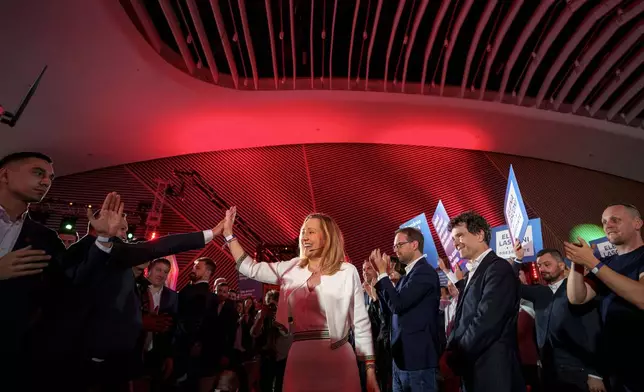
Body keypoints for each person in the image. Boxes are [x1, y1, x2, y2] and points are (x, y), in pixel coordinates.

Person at [221, 206, 378, 392]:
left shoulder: (346, 271)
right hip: (299, 357)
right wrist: (229, 235)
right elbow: (250, 268)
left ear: (327, 237)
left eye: (311, 232)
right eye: (303, 232)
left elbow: (360, 322)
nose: (304, 237)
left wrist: (369, 373)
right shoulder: (292, 268)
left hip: (338, 357)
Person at [565, 203, 644, 392]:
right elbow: (577, 298)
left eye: (615, 220)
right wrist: (578, 264)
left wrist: (592, 262)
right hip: (618, 370)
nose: (608, 225)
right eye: (604, 222)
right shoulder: (606, 264)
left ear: (637, 223)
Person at [444, 211, 524, 392]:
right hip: (474, 368)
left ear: (479, 234)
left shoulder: (499, 268)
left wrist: (457, 356)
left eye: (460, 236)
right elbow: (463, 318)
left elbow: (486, 320)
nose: (455, 243)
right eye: (453, 238)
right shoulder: (474, 270)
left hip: (493, 372)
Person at [369, 227, 441, 392]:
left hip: (418, 362)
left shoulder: (424, 272)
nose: (395, 250)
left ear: (414, 244)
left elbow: (398, 304)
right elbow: (390, 311)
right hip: (401, 360)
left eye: (399, 245)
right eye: (395, 247)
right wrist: (381, 279)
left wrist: (382, 274)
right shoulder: (407, 276)